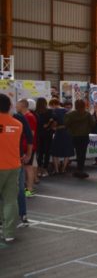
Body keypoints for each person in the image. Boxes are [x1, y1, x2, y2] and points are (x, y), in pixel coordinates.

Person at [0, 94, 23, 243]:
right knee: (10, 200)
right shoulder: (17, 124)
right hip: (13, 165)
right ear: (9, 106)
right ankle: (9, 232)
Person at [64, 99, 92, 178]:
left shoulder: (70, 114)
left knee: (78, 152)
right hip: (85, 136)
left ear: (75, 105)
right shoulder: (87, 114)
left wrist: (71, 131)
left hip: (75, 136)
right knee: (83, 153)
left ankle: (78, 170)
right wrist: (88, 130)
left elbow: (66, 124)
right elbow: (92, 124)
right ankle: (81, 169)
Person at [17, 99, 37, 197]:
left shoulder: (29, 117)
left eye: (17, 104)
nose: (16, 106)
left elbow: (31, 134)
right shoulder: (26, 116)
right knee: (26, 167)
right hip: (25, 145)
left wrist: (27, 148)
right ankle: (27, 189)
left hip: (27, 146)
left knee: (28, 167)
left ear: (23, 106)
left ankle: (29, 189)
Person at [50, 98, 73, 174]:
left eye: (51, 106)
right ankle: (63, 169)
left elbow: (54, 124)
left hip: (59, 133)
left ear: (53, 104)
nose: (51, 107)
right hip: (68, 133)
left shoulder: (54, 112)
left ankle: (56, 170)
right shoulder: (67, 111)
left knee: (55, 152)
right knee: (67, 152)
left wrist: (54, 127)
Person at [35, 98, 54, 179]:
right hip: (48, 133)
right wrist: (48, 124)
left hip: (39, 134)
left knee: (40, 152)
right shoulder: (49, 111)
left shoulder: (36, 112)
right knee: (47, 152)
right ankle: (45, 169)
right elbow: (53, 120)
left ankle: (39, 169)